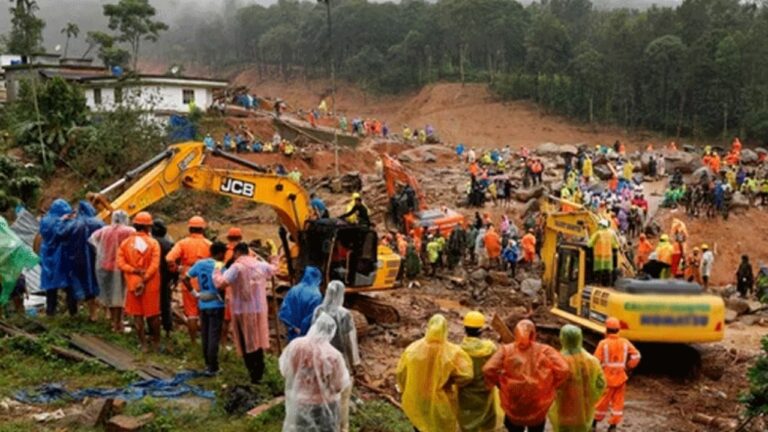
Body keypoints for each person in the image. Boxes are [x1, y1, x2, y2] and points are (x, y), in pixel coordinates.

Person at [483, 319, 570, 432]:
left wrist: (500, 383)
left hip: (513, 405)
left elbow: (488, 369)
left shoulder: (506, 350)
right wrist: (551, 384)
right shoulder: (545, 350)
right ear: (533, 334)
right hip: (537, 406)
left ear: (515, 333)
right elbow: (564, 369)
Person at [397, 314, 473, 432]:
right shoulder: (454, 352)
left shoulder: (412, 349)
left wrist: (403, 390)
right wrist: (451, 381)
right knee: (441, 427)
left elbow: (401, 372)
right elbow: (467, 375)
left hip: (418, 397)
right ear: (445, 330)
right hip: (441, 399)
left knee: (420, 426)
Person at [214, 242, 278, 383]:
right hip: (259, 310)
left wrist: (217, 269)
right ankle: (259, 373)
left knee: (246, 343)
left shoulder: (237, 267)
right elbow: (274, 269)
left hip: (242, 311)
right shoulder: (259, 265)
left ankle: (253, 375)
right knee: (258, 341)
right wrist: (273, 255)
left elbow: (221, 283)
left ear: (237, 253)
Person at [280, 312, 351, 432]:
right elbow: (338, 386)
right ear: (331, 332)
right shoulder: (333, 355)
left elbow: (286, 370)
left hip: (300, 401)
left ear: (314, 326)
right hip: (325, 405)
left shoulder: (296, 345)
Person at [311, 281, 360, 432]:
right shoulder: (344, 314)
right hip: (340, 362)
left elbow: (313, 335)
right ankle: (341, 428)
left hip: (321, 360)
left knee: (323, 394)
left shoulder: (319, 310)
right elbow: (350, 341)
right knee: (342, 399)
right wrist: (354, 363)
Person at [117, 212, 161, 353]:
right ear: (148, 227)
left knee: (137, 315)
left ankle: (143, 344)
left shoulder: (125, 243)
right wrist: (145, 278)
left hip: (132, 284)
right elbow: (154, 265)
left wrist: (134, 271)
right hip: (150, 284)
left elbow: (120, 263)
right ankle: (156, 343)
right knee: (153, 315)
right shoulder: (153, 243)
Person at [548, 325, 605, 432]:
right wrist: (592, 397)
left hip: (563, 408)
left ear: (562, 339)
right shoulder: (591, 361)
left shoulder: (557, 361)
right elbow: (601, 383)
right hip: (584, 408)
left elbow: (547, 384)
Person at [166, 216, 212, 344]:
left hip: (188, 279)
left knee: (191, 314)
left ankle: (193, 342)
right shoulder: (209, 244)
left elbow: (169, 258)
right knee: (205, 312)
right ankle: (206, 341)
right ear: (203, 229)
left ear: (189, 228)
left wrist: (176, 268)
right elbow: (219, 263)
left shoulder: (182, 243)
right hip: (205, 280)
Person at [184, 242, 227, 375]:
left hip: (203, 302)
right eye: (223, 254)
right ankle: (213, 367)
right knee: (214, 336)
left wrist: (195, 294)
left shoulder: (200, 263)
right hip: (216, 303)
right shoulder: (220, 266)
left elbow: (185, 278)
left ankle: (207, 364)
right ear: (220, 253)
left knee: (205, 335)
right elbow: (224, 284)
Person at [89, 210, 134, 332]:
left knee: (112, 296)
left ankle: (114, 322)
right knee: (121, 296)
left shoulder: (105, 230)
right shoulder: (128, 231)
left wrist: (101, 251)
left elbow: (92, 238)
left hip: (106, 266)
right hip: (121, 267)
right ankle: (119, 324)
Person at [593, 317, 641, 432]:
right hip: (621, 377)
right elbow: (637, 356)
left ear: (607, 329)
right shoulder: (625, 342)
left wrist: (596, 374)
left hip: (607, 378)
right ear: (618, 330)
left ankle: (593, 423)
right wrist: (628, 366)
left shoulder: (603, 343)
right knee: (618, 403)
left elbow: (595, 361)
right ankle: (613, 426)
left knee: (601, 402)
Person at [59, 201, 105, 321]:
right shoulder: (99, 223)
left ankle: (92, 313)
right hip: (97, 258)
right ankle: (107, 314)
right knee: (99, 283)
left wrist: (63, 220)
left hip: (78, 260)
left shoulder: (73, 224)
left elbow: (61, 235)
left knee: (85, 284)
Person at [458, 312, 503, 432]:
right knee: (486, 421)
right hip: (485, 390)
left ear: (465, 329)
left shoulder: (459, 350)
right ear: (481, 331)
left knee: (467, 419)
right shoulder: (489, 348)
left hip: (466, 392)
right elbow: (497, 368)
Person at [279, 266, 323, 342]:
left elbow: (284, 311)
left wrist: (293, 327)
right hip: (307, 337)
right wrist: (302, 330)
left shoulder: (294, 290)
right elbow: (312, 316)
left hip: (292, 334)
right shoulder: (316, 295)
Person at [151, 219, 176, 338]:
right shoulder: (168, 244)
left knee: (151, 304)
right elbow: (173, 263)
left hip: (150, 277)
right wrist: (174, 278)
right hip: (165, 277)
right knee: (165, 303)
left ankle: (152, 330)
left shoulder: (148, 243)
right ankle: (168, 329)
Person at [588, 220, 619, 286]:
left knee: (599, 270)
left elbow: (589, 244)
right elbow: (615, 245)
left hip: (599, 255)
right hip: (608, 256)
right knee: (608, 270)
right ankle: (608, 284)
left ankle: (598, 283)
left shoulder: (598, 233)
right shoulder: (610, 234)